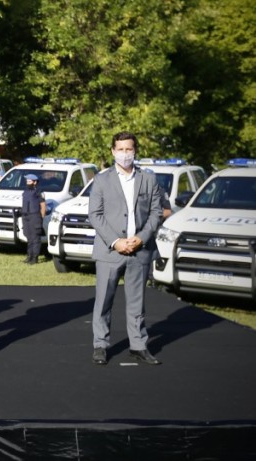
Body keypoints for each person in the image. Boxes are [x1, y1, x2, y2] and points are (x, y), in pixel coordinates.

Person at [88, 131, 164, 366]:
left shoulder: (148, 179)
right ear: (113, 151)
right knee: (103, 301)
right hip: (110, 252)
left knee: (136, 302)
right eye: (120, 149)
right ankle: (100, 345)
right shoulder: (101, 180)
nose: (124, 154)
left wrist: (140, 238)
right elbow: (95, 215)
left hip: (139, 250)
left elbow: (156, 213)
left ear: (135, 150)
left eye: (128, 149)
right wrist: (116, 241)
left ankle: (138, 345)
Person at [21, 173, 46, 264]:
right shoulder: (25, 191)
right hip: (26, 216)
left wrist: (41, 218)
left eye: (29, 181)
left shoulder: (39, 191)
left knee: (35, 238)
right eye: (27, 181)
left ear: (35, 182)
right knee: (29, 237)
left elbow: (43, 206)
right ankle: (29, 256)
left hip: (35, 216)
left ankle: (34, 258)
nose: (28, 183)